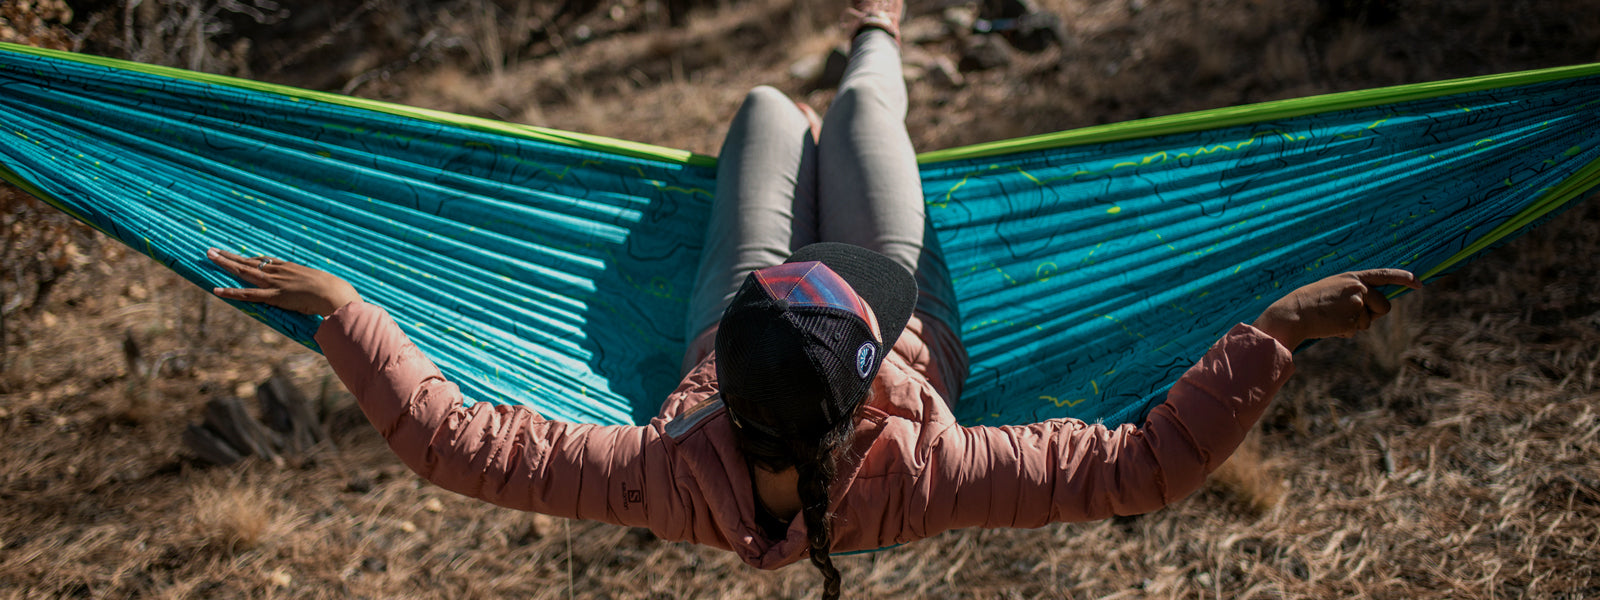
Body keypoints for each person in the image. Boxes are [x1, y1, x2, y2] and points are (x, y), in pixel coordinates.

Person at [203, 2, 1422, 598]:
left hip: (779, 316)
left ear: (723, 375)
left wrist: (346, 308)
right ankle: (878, 26)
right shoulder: (934, 469)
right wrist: (1272, 334)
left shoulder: (662, 468)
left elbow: (454, 445)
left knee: (757, 113)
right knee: (856, 115)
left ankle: (822, 90)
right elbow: (1146, 466)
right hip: (881, 315)